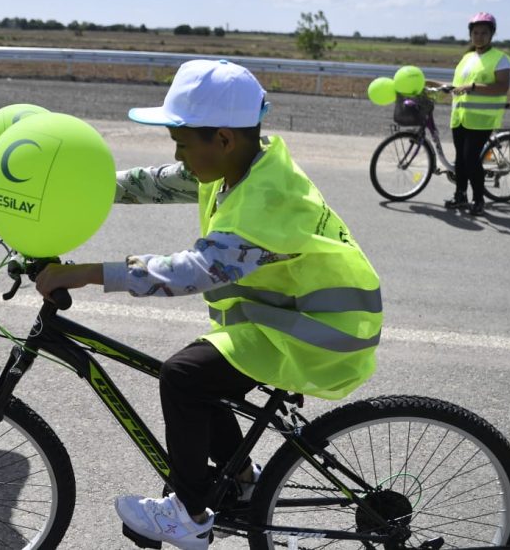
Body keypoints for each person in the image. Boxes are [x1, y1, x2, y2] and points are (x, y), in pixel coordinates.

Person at [35, 59, 382, 550]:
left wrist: (86, 274)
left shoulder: (267, 201)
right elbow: (153, 182)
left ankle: (189, 514)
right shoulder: (237, 165)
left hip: (320, 332)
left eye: (181, 142)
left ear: (222, 138)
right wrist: (80, 190)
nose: (177, 154)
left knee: (183, 375)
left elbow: (191, 272)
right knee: (203, 375)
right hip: (289, 317)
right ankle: (241, 480)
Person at [431, 12, 510, 217]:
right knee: (460, 158)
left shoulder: (500, 59)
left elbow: (502, 87)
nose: (479, 36)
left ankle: (478, 199)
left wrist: (473, 86)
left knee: (471, 159)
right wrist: (443, 86)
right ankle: (460, 195)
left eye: (484, 33)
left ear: (492, 34)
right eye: (475, 32)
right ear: (470, 34)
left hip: (482, 118)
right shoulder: (467, 57)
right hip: (460, 116)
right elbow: (460, 85)